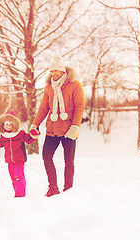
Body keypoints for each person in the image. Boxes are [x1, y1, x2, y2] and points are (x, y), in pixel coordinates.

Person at [31, 56, 85, 197]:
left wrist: (75, 126)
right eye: (52, 71)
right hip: (52, 128)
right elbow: (43, 109)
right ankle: (53, 188)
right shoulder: (49, 88)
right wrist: (34, 125)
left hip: (69, 129)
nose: (54, 73)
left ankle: (68, 189)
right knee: (46, 156)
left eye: (56, 71)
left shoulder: (75, 85)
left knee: (69, 161)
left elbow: (80, 106)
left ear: (62, 71)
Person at [0, 111, 39, 198]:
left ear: (14, 125)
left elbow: (29, 139)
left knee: (18, 175)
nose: (8, 127)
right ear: (4, 126)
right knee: (13, 176)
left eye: (10, 125)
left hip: (19, 159)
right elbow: (0, 144)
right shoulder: (4, 136)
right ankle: (17, 191)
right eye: (7, 125)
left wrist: (34, 135)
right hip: (9, 160)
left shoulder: (20, 134)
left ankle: (20, 193)